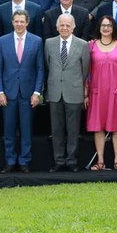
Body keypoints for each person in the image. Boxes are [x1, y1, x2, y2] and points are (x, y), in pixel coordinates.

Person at [0, 10, 45, 173]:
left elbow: (40, 68)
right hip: (8, 93)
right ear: (12, 22)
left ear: (27, 22)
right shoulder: (2, 41)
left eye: (22, 21)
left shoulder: (36, 41)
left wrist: (37, 92)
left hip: (28, 93)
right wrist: (0, 91)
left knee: (26, 129)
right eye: (16, 21)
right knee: (8, 130)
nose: (19, 24)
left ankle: (24, 161)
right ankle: (10, 160)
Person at [44, 14, 90, 173]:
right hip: (55, 91)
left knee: (73, 129)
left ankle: (71, 161)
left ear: (73, 27)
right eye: (61, 25)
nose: (64, 28)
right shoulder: (49, 43)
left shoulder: (83, 45)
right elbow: (48, 66)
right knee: (56, 129)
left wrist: (79, 86)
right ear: (57, 27)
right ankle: (58, 160)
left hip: (74, 91)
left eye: (67, 25)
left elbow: (85, 69)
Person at [86, 16, 117, 171]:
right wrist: (86, 93)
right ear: (99, 27)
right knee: (98, 126)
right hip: (96, 92)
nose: (106, 28)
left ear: (113, 28)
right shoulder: (91, 46)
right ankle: (100, 161)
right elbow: (87, 71)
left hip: (116, 92)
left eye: (109, 26)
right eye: (103, 25)